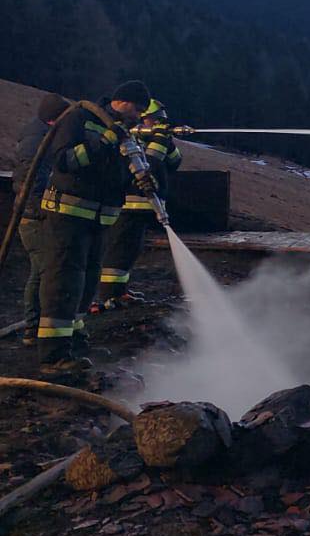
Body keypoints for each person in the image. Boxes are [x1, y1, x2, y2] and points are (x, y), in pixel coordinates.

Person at [32, 81, 150, 378]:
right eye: (137, 110)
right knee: (64, 282)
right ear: (123, 101)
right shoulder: (80, 118)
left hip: (98, 220)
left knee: (86, 283)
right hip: (68, 216)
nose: (138, 117)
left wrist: (139, 180)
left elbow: (113, 175)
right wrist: (105, 141)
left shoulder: (123, 133)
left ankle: (74, 341)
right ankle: (53, 355)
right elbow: (64, 161)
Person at [95, 96, 183, 311]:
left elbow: (174, 162)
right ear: (142, 119)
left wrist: (167, 139)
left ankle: (119, 291)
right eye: (155, 120)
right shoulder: (130, 138)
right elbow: (148, 164)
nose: (159, 124)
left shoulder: (157, 139)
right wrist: (159, 139)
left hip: (145, 206)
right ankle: (107, 295)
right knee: (118, 251)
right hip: (128, 206)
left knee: (130, 251)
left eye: (162, 120)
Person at [12, 92, 74, 347]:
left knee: (43, 270)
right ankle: (32, 327)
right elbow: (30, 180)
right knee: (42, 270)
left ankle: (35, 325)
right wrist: (43, 210)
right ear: (53, 119)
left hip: (35, 214)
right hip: (33, 217)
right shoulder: (37, 141)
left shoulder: (41, 135)